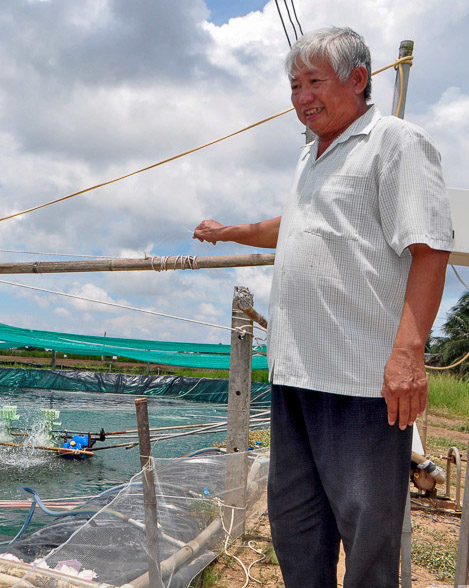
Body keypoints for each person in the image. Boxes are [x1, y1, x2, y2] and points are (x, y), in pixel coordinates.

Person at [193, 27, 453, 587]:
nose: (301, 96)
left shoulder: (395, 142)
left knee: (367, 535)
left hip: (361, 383)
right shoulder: (310, 158)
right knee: (296, 527)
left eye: (315, 81)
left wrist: (408, 355)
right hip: (294, 376)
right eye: (293, 85)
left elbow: (430, 247)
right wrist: (228, 231)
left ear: (358, 81)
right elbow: (296, 226)